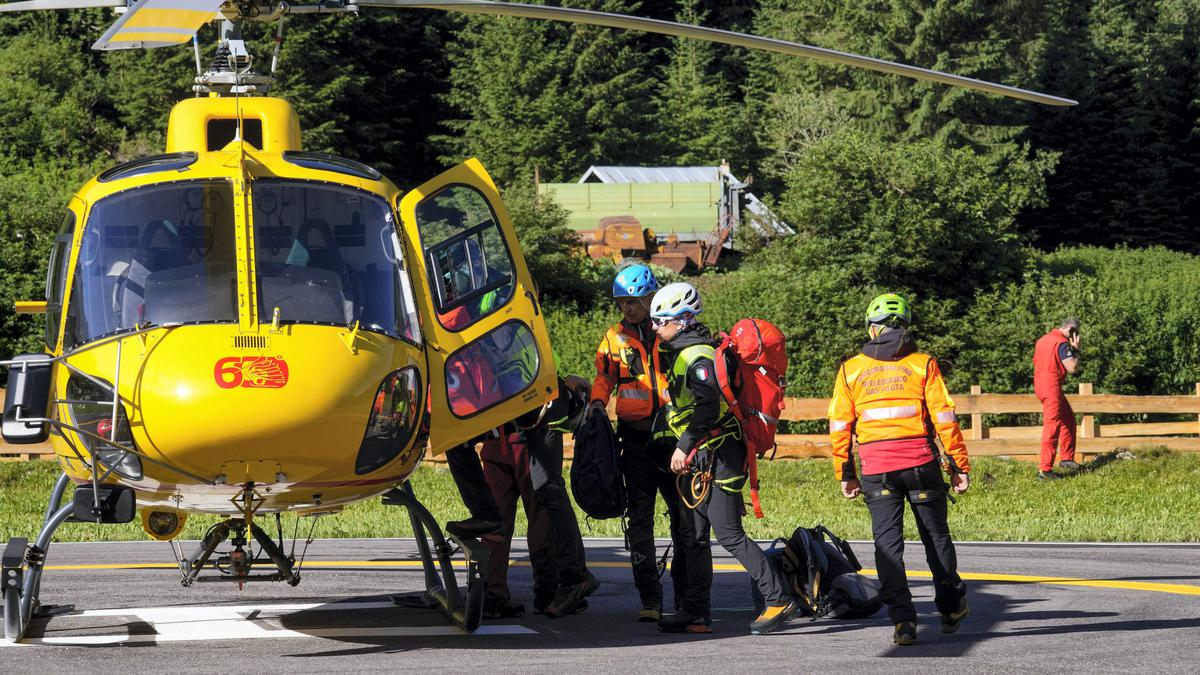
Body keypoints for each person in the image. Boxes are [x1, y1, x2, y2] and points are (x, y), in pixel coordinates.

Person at [650, 282, 795, 635]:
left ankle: (778, 598)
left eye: (661, 320)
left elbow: (707, 408)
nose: (655, 327)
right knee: (693, 533)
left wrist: (683, 445)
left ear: (683, 320)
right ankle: (696, 611)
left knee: (728, 532)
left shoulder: (697, 355)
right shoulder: (683, 350)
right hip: (704, 453)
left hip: (720, 452)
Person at [827, 293, 971, 646]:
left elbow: (840, 425)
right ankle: (951, 608)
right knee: (935, 538)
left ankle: (903, 622)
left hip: (878, 470)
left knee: (887, 546)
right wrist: (957, 466)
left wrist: (846, 474)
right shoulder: (923, 364)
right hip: (921, 464)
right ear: (905, 327)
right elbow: (944, 418)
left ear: (872, 330)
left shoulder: (851, 369)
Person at [588, 264, 688, 622]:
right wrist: (598, 401)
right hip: (634, 441)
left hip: (673, 439)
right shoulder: (613, 338)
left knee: (683, 518)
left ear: (651, 297)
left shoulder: (671, 330)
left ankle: (686, 593)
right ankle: (650, 597)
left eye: (634, 301)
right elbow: (604, 376)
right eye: (622, 302)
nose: (628, 308)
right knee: (640, 520)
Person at [477, 425, 560, 617]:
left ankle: (492, 592)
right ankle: (546, 592)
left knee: (496, 520)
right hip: (529, 442)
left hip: (495, 440)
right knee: (540, 517)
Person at [1033, 318, 1082, 479]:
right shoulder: (1061, 343)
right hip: (1051, 386)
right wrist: (1076, 350)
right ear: (1072, 330)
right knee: (1052, 426)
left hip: (1040, 385)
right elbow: (1072, 367)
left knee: (1068, 419)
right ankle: (1045, 470)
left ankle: (1067, 458)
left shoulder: (1043, 340)